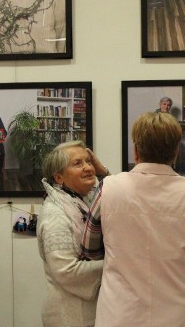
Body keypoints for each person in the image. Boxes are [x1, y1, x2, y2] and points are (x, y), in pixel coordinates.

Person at [81, 112, 185, 326]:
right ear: (176, 152)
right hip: (182, 316)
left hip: (121, 314)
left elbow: (91, 250)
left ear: (136, 150)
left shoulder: (108, 189)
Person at [37, 140, 108, 327]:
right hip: (70, 316)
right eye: (77, 164)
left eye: (89, 161)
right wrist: (117, 263)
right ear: (59, 178)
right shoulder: (55, 214)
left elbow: (125, 201)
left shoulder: (87, 198)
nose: (88, 168)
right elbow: (66, 272)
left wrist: (104, 172)